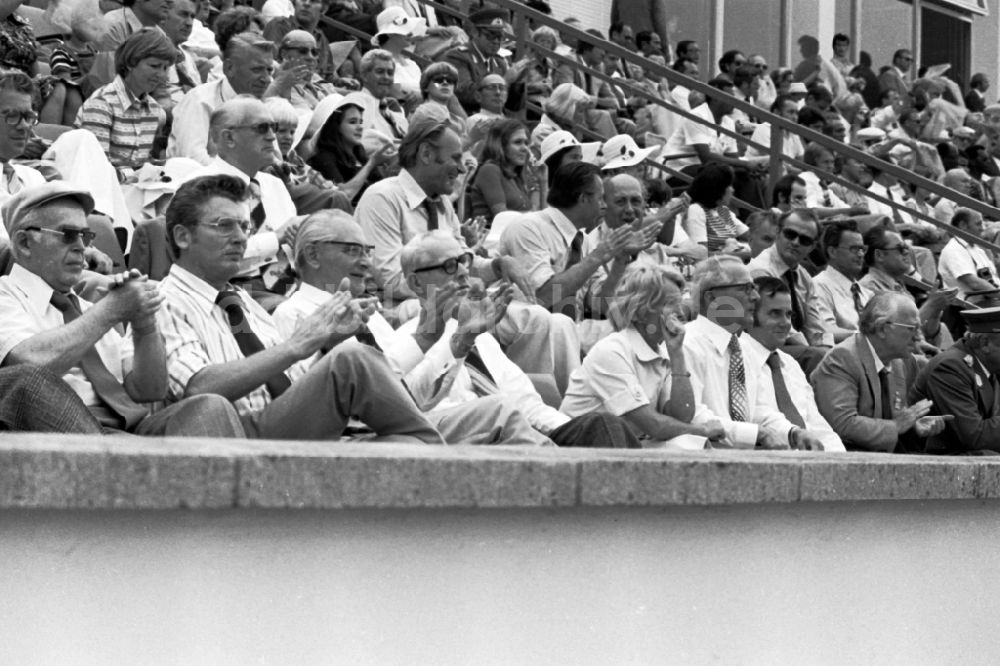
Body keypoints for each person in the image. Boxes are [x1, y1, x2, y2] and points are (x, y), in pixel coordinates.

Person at [157, 173, 443, 442]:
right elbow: (198, 388)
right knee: (351, 360)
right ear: (183, 236)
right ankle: (442, 459)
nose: (241, 237)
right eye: (224, 225)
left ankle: (433, 455)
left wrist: (325, 345)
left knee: (453, 424)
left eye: (244, 226)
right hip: (238, 433)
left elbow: (291, 385)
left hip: (285, 423)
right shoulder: (163, 300)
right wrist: (298, 345)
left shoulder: (241, 301)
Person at [0, 181, 246, 436]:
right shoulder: (7, 296)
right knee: (27, 381)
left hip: (130, 431)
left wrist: (144, 324)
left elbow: (148, 390)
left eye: (85, 236)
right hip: (67, 432)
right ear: (24, 243)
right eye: (68, 235)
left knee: (211, 406)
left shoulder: (88, 309)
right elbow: (29, 364)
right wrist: (109, 312)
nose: (81, 247)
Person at [356, 118, 580, 393]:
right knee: (525, 317)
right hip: (403, 307)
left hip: (449, 299)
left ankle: (541, 403)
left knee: (552, 320)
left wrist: (498, 265)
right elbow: (391, 280)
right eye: (455, 158)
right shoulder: (381, 198)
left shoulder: (441, 205)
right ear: (426, 154)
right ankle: (510, 401)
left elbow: (465, 263)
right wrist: (460, 286)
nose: (462, 168)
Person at [395, 229, 640, 447]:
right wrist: (460, 343)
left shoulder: (482, 339)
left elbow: (528, 405)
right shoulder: (403, 345)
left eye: (463, 261)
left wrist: (570, 433)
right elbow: (416, 400)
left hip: (526, 439)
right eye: (448, 265)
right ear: (416, 283)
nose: (462, 272)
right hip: (470, 445)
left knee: (603, 425)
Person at [562, 263, 723, 449]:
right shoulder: (612, 350)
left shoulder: (663, 352)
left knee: (691, 443)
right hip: (581, 449)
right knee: (691, 443)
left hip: (626, 446)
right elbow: (654, 425)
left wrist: (677, 354)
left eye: (680, 304)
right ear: (639, 310)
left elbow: (681, 415)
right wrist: (702, 430)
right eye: (670, 304)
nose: (680, 313)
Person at [683, 255, 823, 450]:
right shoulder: (688, 343)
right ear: (712, 297)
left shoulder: (741, 349)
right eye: (745, 288)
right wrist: (756, 433)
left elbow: (757, 410)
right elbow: (692, 415)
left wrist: (793, 433)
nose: (756, 297)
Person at [186, 96, 299, 305]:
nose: (272, 137)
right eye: (262, 128)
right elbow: (211, 256)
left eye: (273, 127)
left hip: (293, 284)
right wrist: (277, 238)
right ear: (229, 138)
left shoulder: (274, 184)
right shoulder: (200, 187)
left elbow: (293, 248)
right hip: (232, 289)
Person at [811, 292, 949, 452]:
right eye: (912, 329)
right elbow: (843, 424)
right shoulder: (842, 358)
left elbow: (894, 420)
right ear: (883, 328)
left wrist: (913, 427)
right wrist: (896, 426)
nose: (918, 337)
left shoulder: (898, 361)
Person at [745, 276, 844, 451]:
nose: (785, 323)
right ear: (751, 314)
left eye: (789, 314)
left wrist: (840, 461)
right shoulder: (737, 356)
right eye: (775, 313)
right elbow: (754, 416)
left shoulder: (790, 364)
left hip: (811, 459)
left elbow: (817, 424)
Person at [75, 28, 174, 177]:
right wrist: (138, 175)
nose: (161, 74)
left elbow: (138, 162)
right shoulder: (101, 105)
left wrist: (156, 169)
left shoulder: (154, 110)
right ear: (130, 64)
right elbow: (95, 170)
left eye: (165, 68)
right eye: (154, 66)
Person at [168, 33, 275, 165]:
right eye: (257, 70)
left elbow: (272, 158)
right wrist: (243, 173)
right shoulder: (201, 100)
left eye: (269, 70)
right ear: (229, 68)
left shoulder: (263, 105)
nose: (267, 79)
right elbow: (193, 160)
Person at [912, 307, 1000, 454]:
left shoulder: (990, 365)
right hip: (938, 460)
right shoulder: (951, 367)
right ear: (985, 343)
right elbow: (974, 436)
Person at [748, 209, 827, 348]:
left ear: (812, 246)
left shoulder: (805, 278)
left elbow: (815, 327)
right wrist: (814, 352)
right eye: (790, 234)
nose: (796, 242)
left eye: (805, 240)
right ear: (778, 232)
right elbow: (778, 324)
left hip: (799, 350)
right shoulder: (760, 269)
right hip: (765, 345)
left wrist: (826, 349)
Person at [305, 94, 394, 204]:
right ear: (336, 126)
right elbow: (343, 195)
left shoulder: (359, 154)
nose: (360, 127)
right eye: (352, 122)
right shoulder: (324, 158)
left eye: (360, 122)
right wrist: (371, 163)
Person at [442, 7, 526, 115]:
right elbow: (465, 94)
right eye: (491, 35)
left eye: (500, 37)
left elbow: (513, 106)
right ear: (475, 33)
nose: (496, 41)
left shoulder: (499, 61)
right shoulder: (457, 57)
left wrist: (518, 81)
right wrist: (504, 81)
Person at [812, 219, 873, 343]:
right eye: (854, 249)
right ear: (832, 251)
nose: (861, 254)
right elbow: (824, 331)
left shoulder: (867, 294)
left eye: (862, 249)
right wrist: (866, 338)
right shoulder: (818, 286)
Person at [469, 118, 537, 221]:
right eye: (518, 142)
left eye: (526, 143)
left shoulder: (515, 176)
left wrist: (542, 181)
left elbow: (538, 215)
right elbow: (502, 217)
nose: (525, 148)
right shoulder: (489, 170)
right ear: (501, 145)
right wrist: (533, 217)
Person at [683, 163, 749, 256]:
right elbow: (700, 254)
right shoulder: (696, 210)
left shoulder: (723, 210)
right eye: (729, 185)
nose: (732, 190)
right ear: (718, 188)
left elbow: (751, 236)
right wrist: (740, 255)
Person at [369, 6, 425, 111]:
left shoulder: (413, 65)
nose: (410, 33)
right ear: (390, 33)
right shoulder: (378, 62)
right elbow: (394, 92)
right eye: (405, 29)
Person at [263, 0, 335, 81]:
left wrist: (345, 82)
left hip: (320, 90)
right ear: (295, 4)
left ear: (324, 9)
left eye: (314, 1)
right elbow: (273, 67)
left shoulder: (322, 38)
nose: (306, 4)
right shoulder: (279, 25)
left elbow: (330, 78)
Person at [938, 208, 999, 300]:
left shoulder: (978, 249)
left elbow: (993, 278)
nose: (982, 228)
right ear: (963, 225)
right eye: (978, 224)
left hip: (991, 302)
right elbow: (974, 283)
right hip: (970, 308)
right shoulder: (953, 249)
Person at [269, 30, 336, 112]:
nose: (310, 57)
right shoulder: (282, 86)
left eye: (314, 52)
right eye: (303, 51)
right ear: (284, 54)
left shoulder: (319, 81)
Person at [409, 61, 468, 139]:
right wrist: (471, 140)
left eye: (450, 80)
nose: (445, 83)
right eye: (438, 80)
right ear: (426, 87)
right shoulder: (424, 112)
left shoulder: (458, 120)